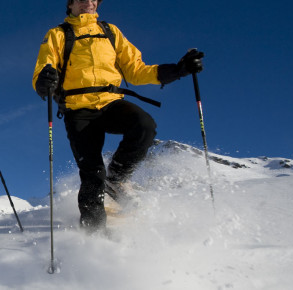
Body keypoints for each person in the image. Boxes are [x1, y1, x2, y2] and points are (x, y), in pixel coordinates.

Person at [32, 0, 204, 232]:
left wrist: (178, 70)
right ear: (71, 4)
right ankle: (94, 235)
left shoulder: (110, 32)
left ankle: (116, 179)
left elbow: (136, 70)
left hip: (110, 103)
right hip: (77, 109)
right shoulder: (58, 34)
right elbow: (43, 67)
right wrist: (44, 81)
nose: (89, 2)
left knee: (144, 126)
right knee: (92, 174)